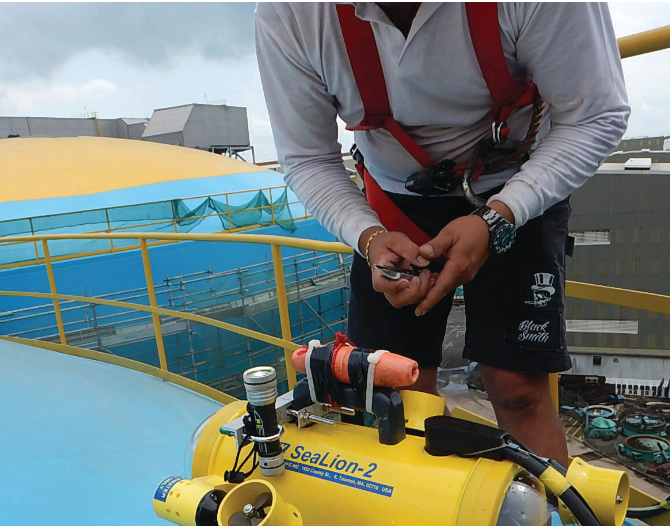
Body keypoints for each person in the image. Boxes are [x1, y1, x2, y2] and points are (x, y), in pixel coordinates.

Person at [255, 2, 629, 462]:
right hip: (392, 205)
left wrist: (499, 217)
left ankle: (540, 509)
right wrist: (369, 238)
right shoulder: (291, 13)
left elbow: (595, 115)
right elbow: (307, 157)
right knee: (396, 392)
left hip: (517, 188)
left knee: (519, 390)